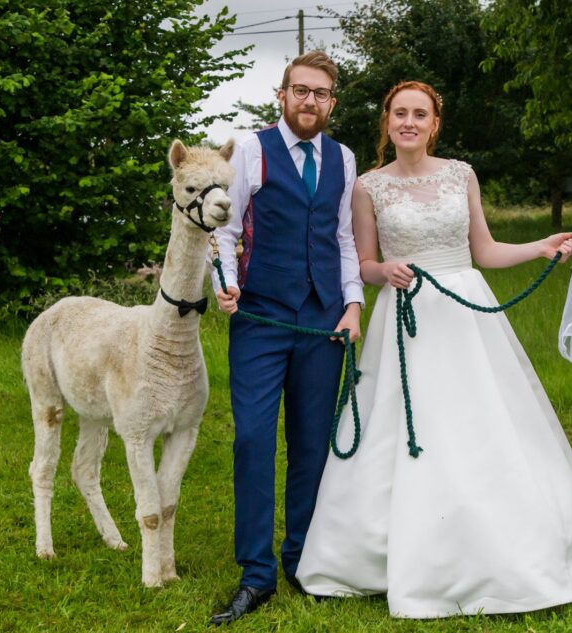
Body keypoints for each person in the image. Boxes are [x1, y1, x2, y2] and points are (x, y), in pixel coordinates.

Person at [295, 81, 572, 618]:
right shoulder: (367, 187)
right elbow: (362, 264)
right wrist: (383, 271)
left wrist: (541, 246)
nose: (409, 122)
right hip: (403, 317)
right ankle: (376, 555)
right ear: (386, 122)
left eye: (420, 114)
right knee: (404, 429)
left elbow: (483, 251)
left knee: (478, 424)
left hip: (462, 310)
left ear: (435, 125)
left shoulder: (461, 174)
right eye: (400, 113)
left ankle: (496, 552)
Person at [208, 51, 364, 625]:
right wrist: (225, 282)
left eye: (321, 94)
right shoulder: (251, 149)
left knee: (311, 445)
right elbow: (224, 230)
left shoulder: (344, 159)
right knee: (252, 440)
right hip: (261, 320)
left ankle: (302, 559)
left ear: (332, 103)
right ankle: (257, 575)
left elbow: (344, 238)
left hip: (322, 322)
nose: (310, 101)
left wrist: (352, 305)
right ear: (282, 94)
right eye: (301, 90)